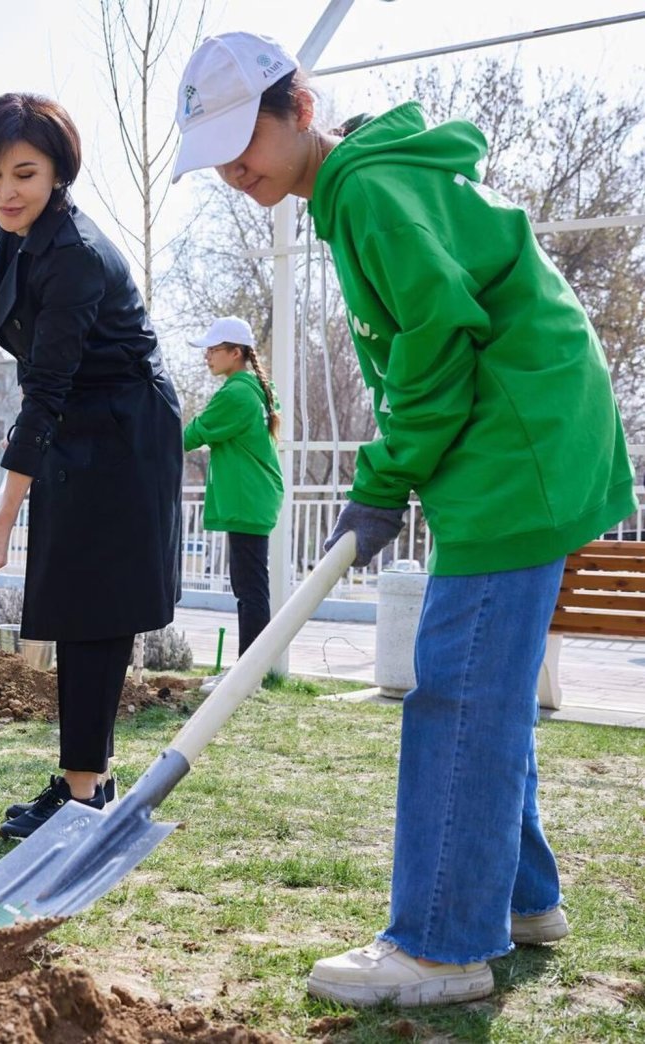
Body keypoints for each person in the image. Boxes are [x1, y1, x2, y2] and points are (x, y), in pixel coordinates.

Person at [172, 31, 638, 1007]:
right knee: (482, 688)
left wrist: (384, 477)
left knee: (455, 694)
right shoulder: (363, 186)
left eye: (241, 140)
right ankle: (522, 901)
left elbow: (435, 343)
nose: (232, 170)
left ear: (298, 108)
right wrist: (393, 473)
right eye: (215, 154)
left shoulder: (371, 193)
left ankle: (440, 945)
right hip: (526, 438)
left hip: (516, 451)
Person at [0, 94, 183, 841]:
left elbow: (46, 387)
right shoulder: (20, 240)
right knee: (69, 599)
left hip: (122, 433)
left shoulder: (75, 254)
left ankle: (85, 795)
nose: (5, 191)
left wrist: (2, 518)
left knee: (92, 607)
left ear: (59, 173)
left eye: (24, 173)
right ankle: (87, 781)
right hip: (75, 428)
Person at [184, 316, 282, 656]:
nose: (207, 356)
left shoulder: (237, 394)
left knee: (249, 590)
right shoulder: (253, 389)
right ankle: (250, 669)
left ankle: (250, 672)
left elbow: (193, 434)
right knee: (250, 587)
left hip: (247, 500)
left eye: (213, 350)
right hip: (254, 497)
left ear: (236, 352)